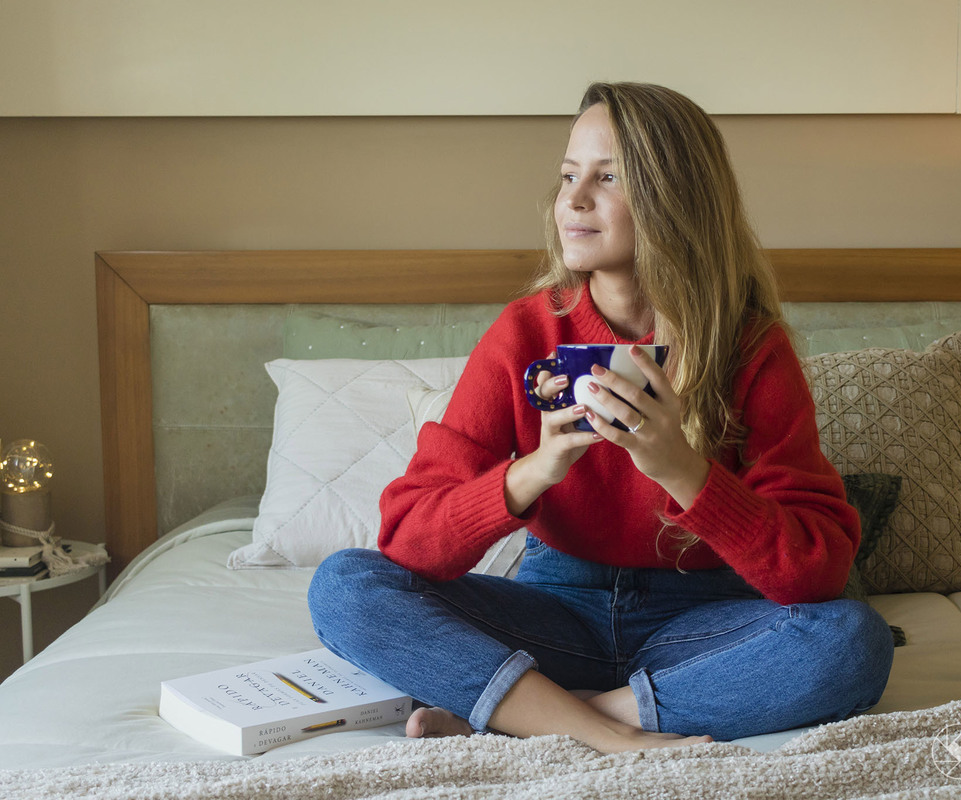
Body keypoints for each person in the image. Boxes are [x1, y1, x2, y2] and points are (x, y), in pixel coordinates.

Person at [308, 82, 894, 754]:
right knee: (345, 586)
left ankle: (549, 716)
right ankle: (615, 734)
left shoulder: (750, 348)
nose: (573, 200)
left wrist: (684, 471)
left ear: (674, 199)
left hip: (700, 625)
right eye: (567, 176)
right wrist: (533, 471)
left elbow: (815, 572)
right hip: (556, 611)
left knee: (854, 641)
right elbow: (408, 538)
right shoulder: (525, 332)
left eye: (607, 177)